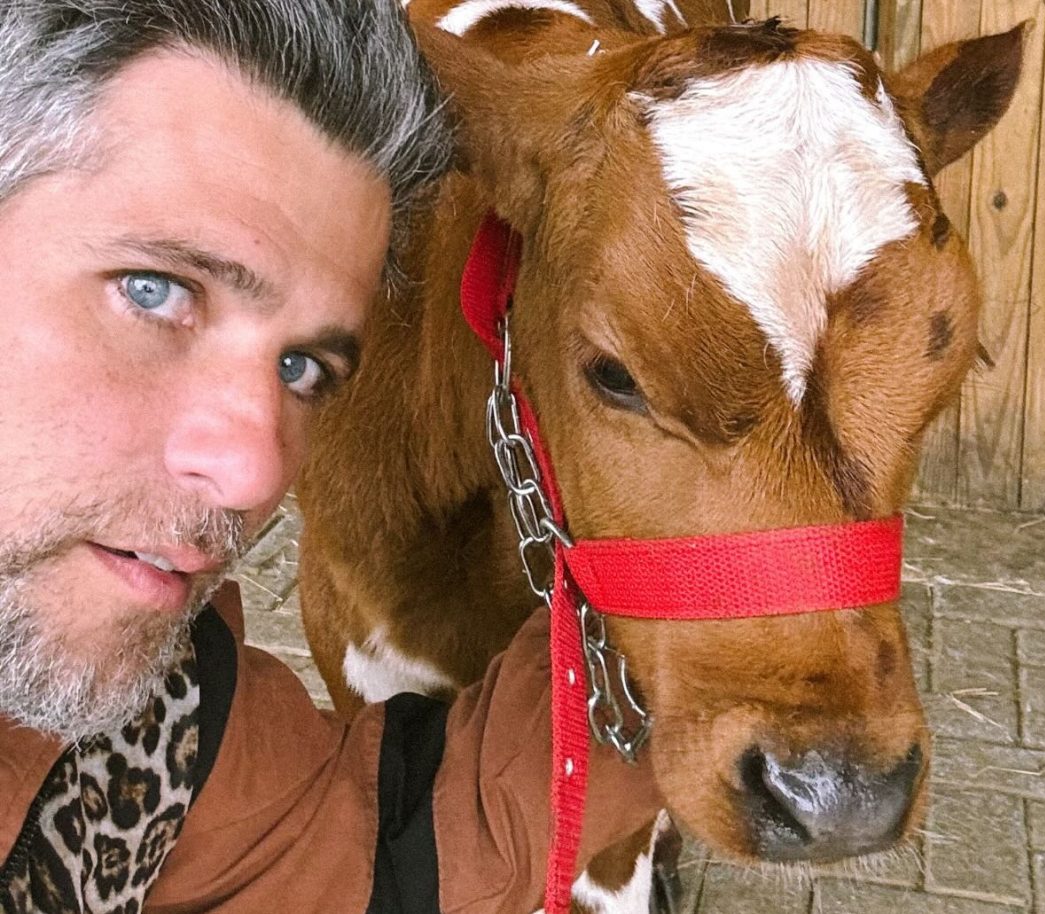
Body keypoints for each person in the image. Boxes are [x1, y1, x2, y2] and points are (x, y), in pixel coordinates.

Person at [0, 1, 660, 911]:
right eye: (154, 292)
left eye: (302, 367)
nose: (258, 474)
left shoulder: (158, 723)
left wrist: (718, 624)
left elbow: (370, 846)